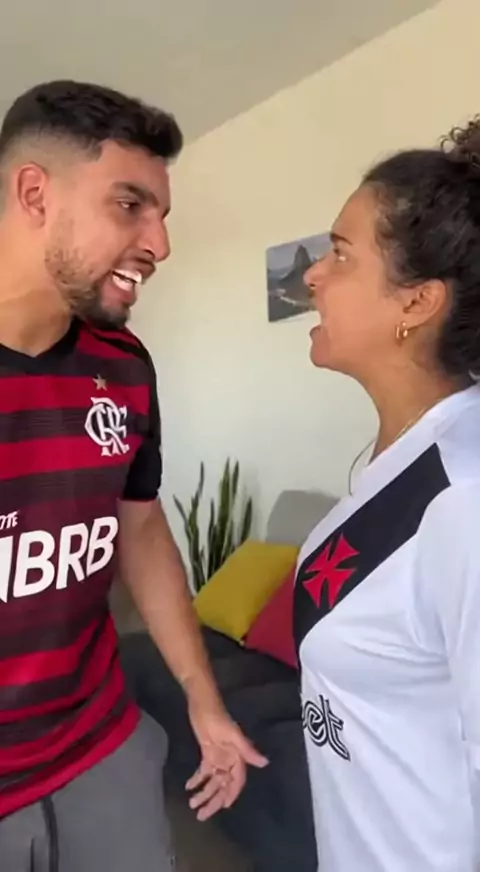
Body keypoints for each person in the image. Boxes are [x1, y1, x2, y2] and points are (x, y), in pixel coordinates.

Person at [0, 80, 267, 872]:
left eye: (162, 214)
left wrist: (203, 700)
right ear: (34, 193)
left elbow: (139, 524)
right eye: (130, 205)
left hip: (101, 749)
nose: (160, 243)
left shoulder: (122, 363)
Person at [296, 120, 480, 871]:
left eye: (341, 254)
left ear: (418, 302)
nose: (313, 275)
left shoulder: (466, 498)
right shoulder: (408, 458)